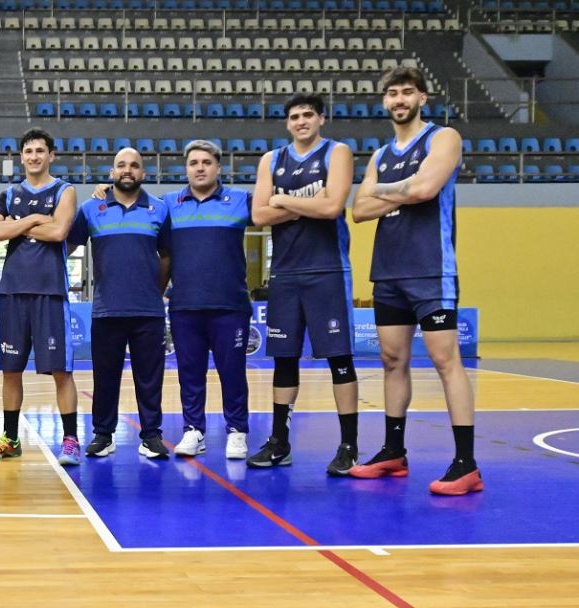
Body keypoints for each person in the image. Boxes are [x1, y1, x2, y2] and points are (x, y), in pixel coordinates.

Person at [349, 66, 480, 496]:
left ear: (422, 97)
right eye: (392, 93)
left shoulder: (444, 138)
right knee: (391, 361)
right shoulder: (380, 155)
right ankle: (393, 451)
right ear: (384, 102)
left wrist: (383, 191)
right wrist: (405, 187)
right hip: (388, 271)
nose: (399, 99)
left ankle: (466, 463)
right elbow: (358, 210)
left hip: (430, 269)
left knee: (446, 361)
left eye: (407, 91)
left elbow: (426, 191)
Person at [248, 94, 360, 474]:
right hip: (285, 273)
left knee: (339, 359)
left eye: (308, 115)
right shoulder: (271, 160)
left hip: (328, 270)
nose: (301, 121)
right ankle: (279, 442)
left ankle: (349, 446)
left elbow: (332, 208)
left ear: (321, 119)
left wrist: (282, 200)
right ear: (287, 123)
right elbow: (259, 215)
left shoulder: (337, 152)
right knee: (284, 360)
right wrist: (304, 204)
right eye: (294, 116)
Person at [0, 128, 80, 464]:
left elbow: (59, 231)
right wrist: (37, 218)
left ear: (51, 155)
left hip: (50, 291)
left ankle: (70, 440)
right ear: (21, 157)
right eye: (28, 151)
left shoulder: (65, 191)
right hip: (12, 291)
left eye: (40, 151)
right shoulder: (8, 194)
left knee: (61, 371)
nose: (34, 156)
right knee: (10, 370)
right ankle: (10, 439)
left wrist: (18, 224)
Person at [71, 148, 171, 461]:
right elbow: (67, 244)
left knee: (150, 379)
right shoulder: (91, 208)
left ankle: (151, 436)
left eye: (134, 166)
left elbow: (167, 256)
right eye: (121, 165)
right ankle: (103, 435)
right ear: (112, 172)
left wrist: (154, 291)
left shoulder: (160, 209)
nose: (128, 170)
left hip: (148, 311)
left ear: (143, 173)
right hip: (106, 309)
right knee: (105, 378)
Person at [163, 140, 253, 460]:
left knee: (233, 373)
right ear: (186, 169)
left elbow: (275, 209)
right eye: (193, 163)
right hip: (185, 306)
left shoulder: (241, 200)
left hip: (231, 306)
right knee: (190, 374)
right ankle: (193, 430)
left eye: (206, 162)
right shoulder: (168, 204)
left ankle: (237, 431)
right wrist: (104, 190)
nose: (200, 168)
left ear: (218, 167)